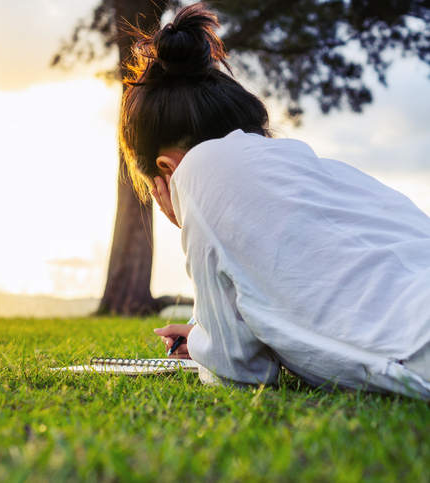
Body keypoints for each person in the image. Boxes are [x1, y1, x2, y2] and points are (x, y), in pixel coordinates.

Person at [120, 3, 430, 398]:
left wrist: (204, 347)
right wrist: (205, 332)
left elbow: (240, 371)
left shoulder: (199, 168)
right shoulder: (310, 165)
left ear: (166, 169)